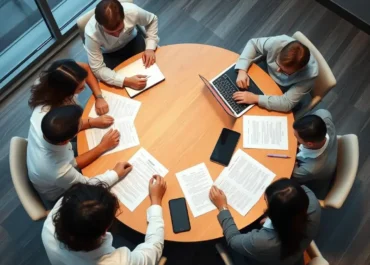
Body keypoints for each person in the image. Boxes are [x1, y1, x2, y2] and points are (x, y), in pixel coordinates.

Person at [42, 175, 167, 265]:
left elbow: (85, 189)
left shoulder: (49, 225)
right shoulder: (120, 262)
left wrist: (114, 174)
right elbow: (154, 247)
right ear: (105, 230)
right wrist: (156, 200)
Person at [27, 105, 131, 201]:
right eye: (80, 124)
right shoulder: (59, 171)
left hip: (56, 163)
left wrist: (92, 122)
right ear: (66, 140)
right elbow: (87, 186)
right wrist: (115, 174)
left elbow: (71, 162)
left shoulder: (40, 113)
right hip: (61, 191)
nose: (83, 122)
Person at [210, 178, 321, 265]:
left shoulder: (263, 242)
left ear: (274, 215)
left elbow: (233, 240)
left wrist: (222, 207)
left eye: (266, 201)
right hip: (293, 254)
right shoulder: (312, 201)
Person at [84, 0, 159, 90]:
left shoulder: (133, 11)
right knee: (118, 89)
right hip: (109, 54)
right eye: (111, 33)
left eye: (120, 30)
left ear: (124, 16)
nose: (117, 35)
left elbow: (152, 20)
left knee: (152, 71)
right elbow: (98, 69)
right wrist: (125, 81)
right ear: (100, 25)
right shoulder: (91, 34)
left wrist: (150, 47)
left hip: (133, 41)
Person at [232, 35, 319, 112]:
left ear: (299, 70)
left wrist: (255, 98)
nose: (277, 70)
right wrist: (242, 70)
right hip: (263, 71)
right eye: (278, 64)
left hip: (283, 89)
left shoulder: (309, 75)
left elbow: (287, 103)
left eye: (284, 71)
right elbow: (253, 44)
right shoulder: (278, 42)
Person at [29, 58, 110, 116]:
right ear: (66, 91)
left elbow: (86, 68)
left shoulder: (65, 70)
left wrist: (99, 97)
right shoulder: (52, 110)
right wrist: (90, 122)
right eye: (80, 88)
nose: (85, 87)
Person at [292, 109, 337, 199]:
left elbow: (290, 174)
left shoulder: (310, 168)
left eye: (296, 137)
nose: (294, 136)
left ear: (309, 144)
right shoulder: (324, 115)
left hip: (312, 185)